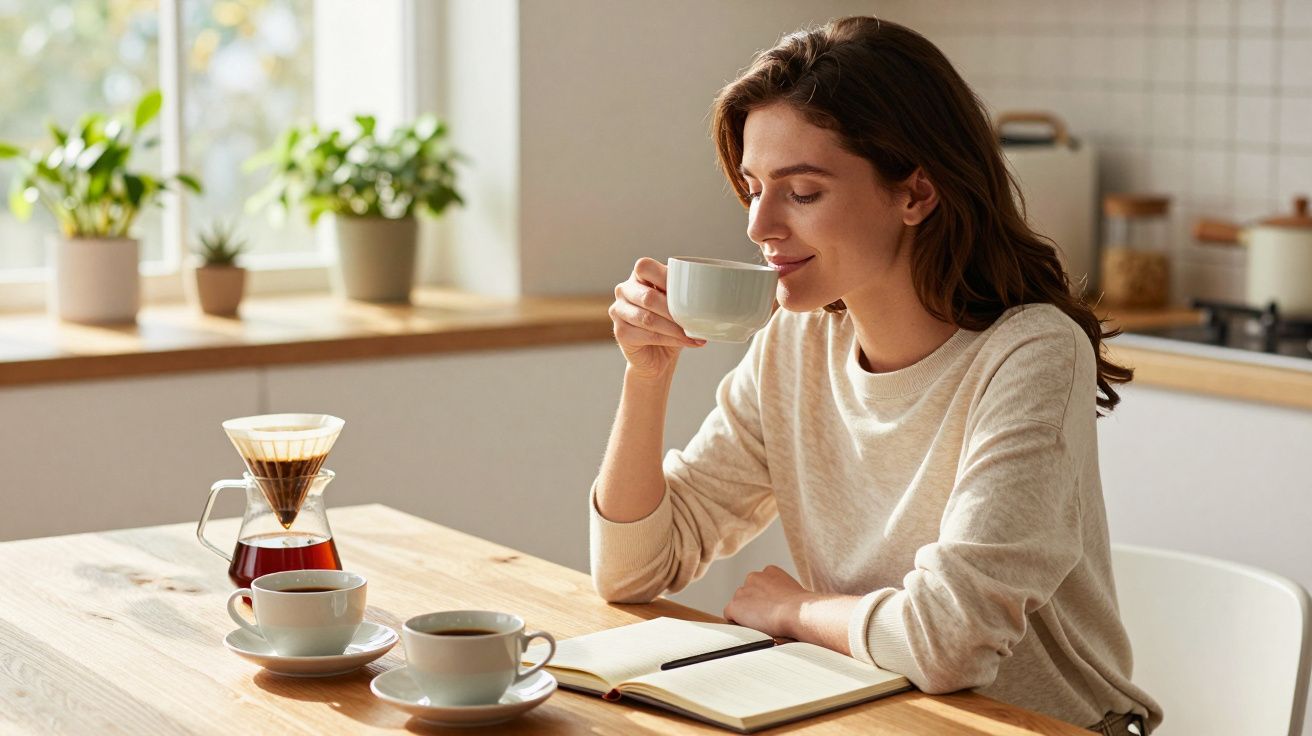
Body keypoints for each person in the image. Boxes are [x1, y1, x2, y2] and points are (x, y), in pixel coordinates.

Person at [589, 16, 1161, 736]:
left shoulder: (1032, 355)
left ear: (915, 194)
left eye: (801, 193)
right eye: (753, 187)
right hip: (875, 715)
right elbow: (632, 572)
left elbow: (949, 642)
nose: (758, 226)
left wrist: (793, 610)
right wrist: (647, 378)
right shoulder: (795, 343)